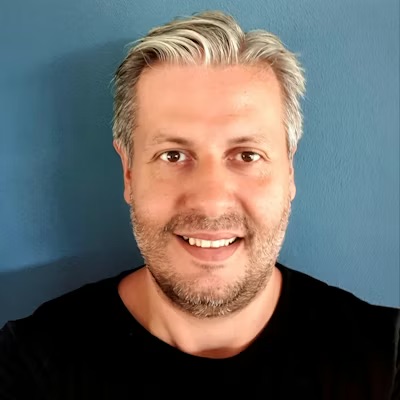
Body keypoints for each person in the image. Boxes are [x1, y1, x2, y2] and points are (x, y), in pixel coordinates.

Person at [0, 10, 399, 400]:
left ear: (289, 171)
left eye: (247, 155)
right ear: (129, 173)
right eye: (173, 155)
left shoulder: (386, 360)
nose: (211, 203)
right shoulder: (30, 364)